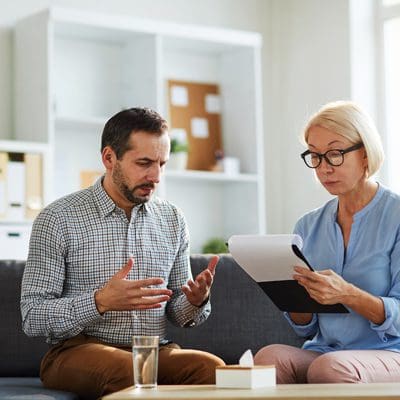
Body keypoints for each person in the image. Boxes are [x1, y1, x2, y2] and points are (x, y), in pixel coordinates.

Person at [20, 107, 225, 399]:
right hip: (77, 351)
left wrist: (195, 300)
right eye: (143, 163)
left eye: (161, 164)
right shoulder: (58, 218)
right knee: (127, 370)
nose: (155, 176)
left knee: (213, 369)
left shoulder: (172, 219)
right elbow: (33, 316)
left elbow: (179, 313)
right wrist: (99, 301)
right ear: (109, 158)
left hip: (152, 351)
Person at [254, 100, 400, 383]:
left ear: (366, 154)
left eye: (334, 154)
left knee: (331, 368)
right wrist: (292, 297)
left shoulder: (395, 216)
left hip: (389, 351)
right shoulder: (308, 225)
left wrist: (347, 294)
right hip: (327, 350)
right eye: (315, 156)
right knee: (268, 359)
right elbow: (305, 330)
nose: (323, 168)